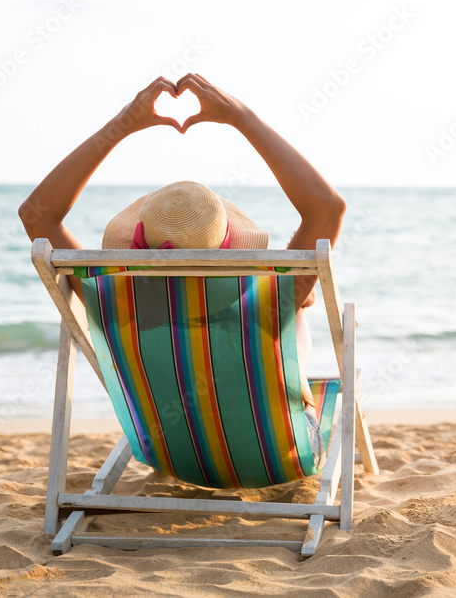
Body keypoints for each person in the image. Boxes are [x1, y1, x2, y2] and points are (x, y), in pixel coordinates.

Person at [19, 74, 346, 462]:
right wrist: (243, 117)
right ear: (228, 244)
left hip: (168, 454)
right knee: (295, 311)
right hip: (280, 454)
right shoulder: (267, 303)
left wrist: (120, 125)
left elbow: (36, 215)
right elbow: (328, 209)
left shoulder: (111, 304)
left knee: (294, 305)